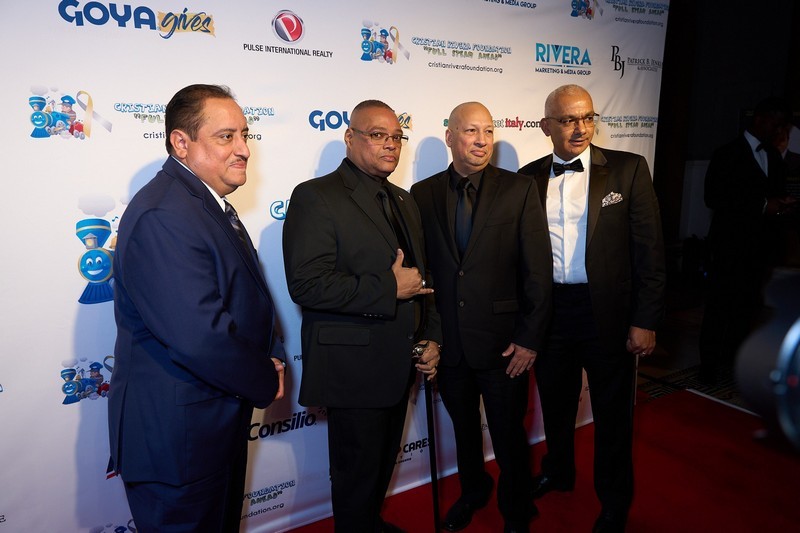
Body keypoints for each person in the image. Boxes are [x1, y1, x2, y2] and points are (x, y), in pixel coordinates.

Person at [108, 84, 286, 532]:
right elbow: (200, 337)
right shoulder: (164, 214)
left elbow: (246, 298)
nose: (244, 149)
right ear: (181, 143)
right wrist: (264, 377)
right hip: (178, 445)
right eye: (226, 136)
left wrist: (273, 354)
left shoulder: (202, 204)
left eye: (245, 134)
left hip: (208, 429)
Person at [282, 99, 442, 533]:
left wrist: (432, 337)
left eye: (397, 137)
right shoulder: (315, 196)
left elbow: (420, 279)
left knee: (378, 474)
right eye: (377, 135)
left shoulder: (404, 200)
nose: (390, 145)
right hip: (354, 372)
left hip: (400, 367)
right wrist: (388, 288)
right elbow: (307, 285)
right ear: (350, 138)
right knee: (355, 481)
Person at [518, 84, 666, 533]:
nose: (581, 128)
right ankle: (559, 471)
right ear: (546, 126)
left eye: (587, 117)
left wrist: (645, 319)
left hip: (608, 314)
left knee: (613, 414)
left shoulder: (628, 169)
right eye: (568, 120)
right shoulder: (526, 178)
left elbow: (650, 251)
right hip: (551, 313)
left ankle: (614, 501)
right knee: (556, 406)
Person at [411, 102, 552, 533]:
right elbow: (425, 271)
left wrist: (529, 339)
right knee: (465, 432)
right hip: (450, 345)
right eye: (471, 131)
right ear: (450, 136)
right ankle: (473, 491)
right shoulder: (422, 193)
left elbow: (537, 270)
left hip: (504, 344)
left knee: (509, 436)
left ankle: (516, 511)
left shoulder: (519, 189)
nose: (482, 140)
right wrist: (429, 335)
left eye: (488, 131)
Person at [700, 96, 797, 382]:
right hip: (728, 246)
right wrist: (763, 205)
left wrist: (782, 204)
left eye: (784, 127)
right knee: (719, 306)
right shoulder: (726, 153)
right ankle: (709, 367)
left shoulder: (774, 157)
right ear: (760, 119)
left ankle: (735, 362)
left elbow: (774, 194)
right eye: (777, 124)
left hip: (759, 248)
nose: (780, 131)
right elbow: (714, 197)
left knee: (746, 308)